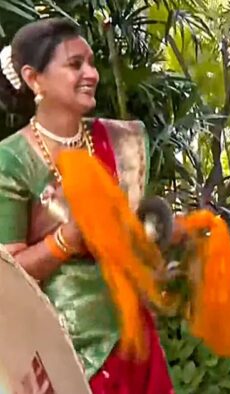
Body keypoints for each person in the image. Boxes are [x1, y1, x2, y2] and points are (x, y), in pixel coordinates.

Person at [0, 19, 173, 393]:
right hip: (61, 355)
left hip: (133, 341)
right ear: (34, 79)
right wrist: (66, 240)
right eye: (75, 65)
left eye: (91, 62)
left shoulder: (120, 140)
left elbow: (138, 237)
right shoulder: (11, 160)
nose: (91, 74)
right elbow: (7, 278)